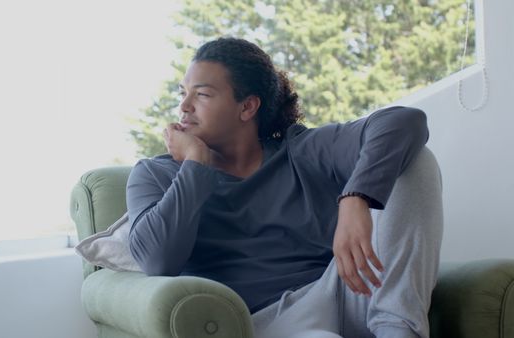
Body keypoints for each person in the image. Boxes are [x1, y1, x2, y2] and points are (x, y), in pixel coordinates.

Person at [125, 37, 443, 338]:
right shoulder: (155, 174)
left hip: (343, 289)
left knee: (415, 160)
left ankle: (399, 331)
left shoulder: (299, 150)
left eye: (202, 94)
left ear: (247, 107)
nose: (184, 106)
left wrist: (355, 198)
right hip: (265, 320)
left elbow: (406, 121)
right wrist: (196, 163)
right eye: (183, 92)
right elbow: (158, 261)